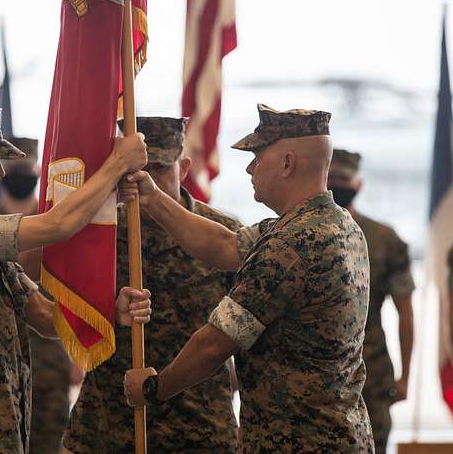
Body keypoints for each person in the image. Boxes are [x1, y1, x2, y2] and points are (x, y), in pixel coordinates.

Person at [122, 104, 374, 452]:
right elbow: (225, 245)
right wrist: (153, 198)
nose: (249, 167)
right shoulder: (336, 224)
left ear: (287, 163)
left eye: (258, 156)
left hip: (299, 442)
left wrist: (152, 388)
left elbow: (213, 345)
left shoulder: (291, 245)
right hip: (335, 434)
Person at [0, 108, 152, 454]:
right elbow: (57, 226)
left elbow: (41, 314)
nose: (1, 170)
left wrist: (111, 310)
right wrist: (115, 165)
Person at [63, 117, 241, 453]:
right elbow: (63, 312)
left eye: (159, 168)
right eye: (134, 169)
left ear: (183, 168)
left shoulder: (220, 235)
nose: (144, 179)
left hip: (198, 422)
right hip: (112, 420)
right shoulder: (101, 233)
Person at [0, 136, 76, 454]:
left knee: (50, 443)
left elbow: (72, 291)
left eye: (27, 167)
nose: (21, 173)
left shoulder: (55, 226)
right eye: (15, 167)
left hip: (51, 361)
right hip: (1, 363)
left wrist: (77, 354)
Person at [328, 148, 415, 453]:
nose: (337, 184)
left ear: (358, 185)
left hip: (371, 371)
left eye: (343, 178)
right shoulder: (297, 232)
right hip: (314, 376)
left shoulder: (384, 239)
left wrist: (406, 375)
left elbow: (405, 310)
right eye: (331, 177)